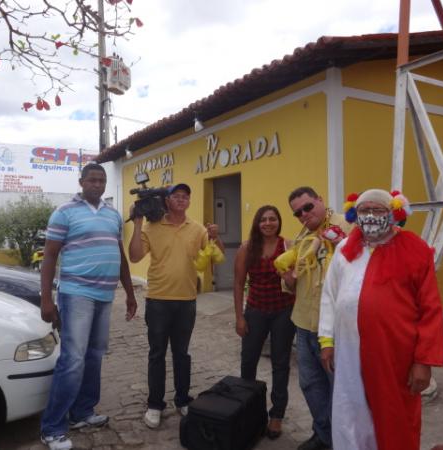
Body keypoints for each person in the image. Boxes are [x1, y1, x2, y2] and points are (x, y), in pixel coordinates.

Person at [319, 189, 443, 450]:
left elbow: (431, 309)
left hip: (395, 354)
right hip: (348, 351)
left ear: (394, 213)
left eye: (378, 210)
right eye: (365, 210)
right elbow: (329, 296)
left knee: (394, 413)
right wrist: (327, 340)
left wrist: (424, 361)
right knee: (350, 409)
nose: (370, 216)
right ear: (356, 213)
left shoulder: (416, 249)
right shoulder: (345, 248)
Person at [40, 163, 137, 450]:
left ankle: (82, 412)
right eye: (92, 179)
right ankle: (52, 428)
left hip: (105, 295)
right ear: (81, 182)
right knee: (73, 360)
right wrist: (46, 298)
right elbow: (49, 258)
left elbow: (119, 256)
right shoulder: (64, 213)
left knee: (95, 355)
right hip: (76, 293)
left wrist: (130, 294)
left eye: (102, 180)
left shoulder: (113, 215)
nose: (98, 184)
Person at [128, 182, 223, 429]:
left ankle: (182, 399)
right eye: (176, 196)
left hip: (186, 301)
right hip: (158, 299)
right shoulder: (152, 226)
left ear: (189, 202)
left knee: (182, 353)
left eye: (185, 196)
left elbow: (216, 255)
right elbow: (135, 256)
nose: (181, 199)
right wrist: (137, 223)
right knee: (157, 354)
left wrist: (215, 236)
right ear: (167, 201)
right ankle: (155, 405)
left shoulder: (197, 229)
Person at [283, 186, 353, 450]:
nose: (303, 215)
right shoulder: (301, 238)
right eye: (297, 213)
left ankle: (343, 441)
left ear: (320, 200)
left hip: (335, 329)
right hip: (303, 322)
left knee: (339, 388)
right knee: (310, 384)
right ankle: (324, 436)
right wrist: (288, 280)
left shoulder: (347, 227)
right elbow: (292, 283)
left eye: (308, 207)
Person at [233, 205, 296, 440]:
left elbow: (296, 283)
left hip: (284, 311)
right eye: (263, 219)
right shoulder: (246, 248)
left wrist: (290, 278)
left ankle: (277, 416)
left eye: (272, 219)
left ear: (278, 222)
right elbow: (239, 284)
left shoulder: (288, 245)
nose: (268, 223)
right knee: (248, 361)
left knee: (280, 364)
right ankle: (248, 408)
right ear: (257, 223)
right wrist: (239, 317)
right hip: (256, 310)